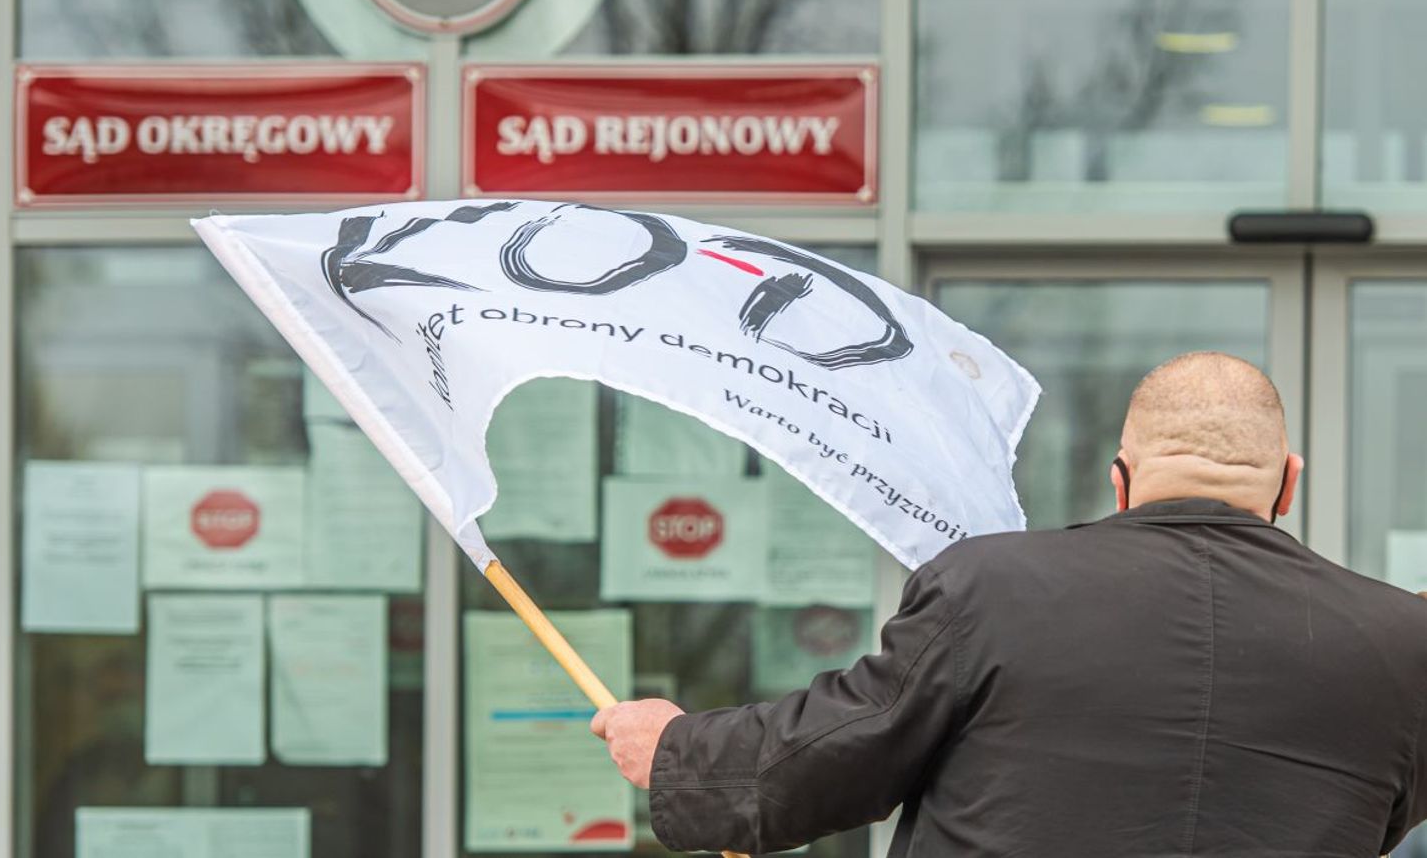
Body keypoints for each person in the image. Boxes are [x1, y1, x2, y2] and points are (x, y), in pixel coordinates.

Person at [592, 351, 1427, 857]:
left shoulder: (992, 589)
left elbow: (834, 756)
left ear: (1121, 480)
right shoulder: (1400, 642)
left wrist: (677, 750)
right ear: (1288, 483)